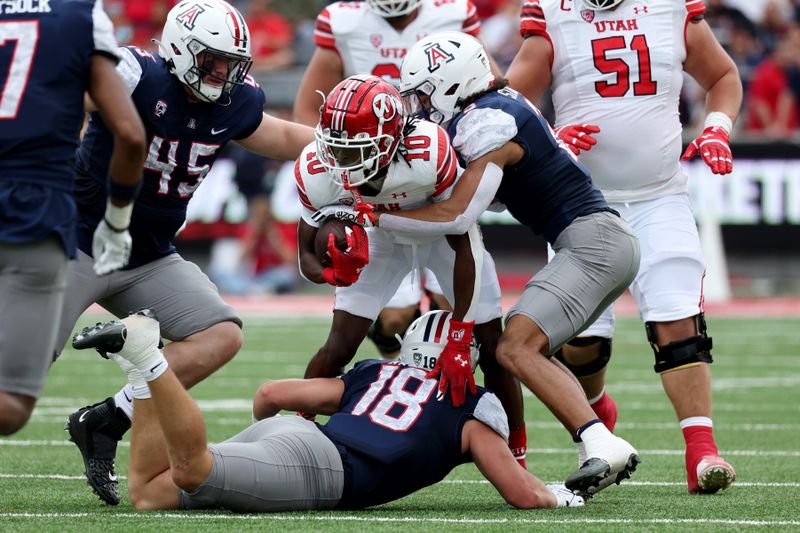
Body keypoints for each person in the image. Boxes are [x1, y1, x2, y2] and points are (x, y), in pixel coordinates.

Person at [364, 31, 643, 495]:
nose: (420, 107)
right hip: (595, 240)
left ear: (451, 84)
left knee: (514, 346)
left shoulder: (487, 120)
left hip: (594, 242)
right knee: (528, 344)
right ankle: (597, 443)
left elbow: (458, 214)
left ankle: (601, 442)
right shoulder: (496, 107)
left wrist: (377, 213)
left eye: (424, 95)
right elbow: (489, 200)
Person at [58, 0, 315, 505]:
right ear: (178, 49)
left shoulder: (234, 102)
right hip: (78, 242)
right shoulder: (135, 74)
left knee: (219, 336)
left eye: (232, 63)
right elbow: (65, 91)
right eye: (212, 60)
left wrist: (334, 143)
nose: (223, 74)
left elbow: (277, 134)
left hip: (149, 255)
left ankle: (106, 420)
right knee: (18, 373)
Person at [505, 0, 742, 494]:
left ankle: (702, 452)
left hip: (660, 196)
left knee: (680, 324)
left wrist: (717, 127)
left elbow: (722, 76)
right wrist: (548, 139)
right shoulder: (552, 14)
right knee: (583, 346)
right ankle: (597, 408)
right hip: (581, 200)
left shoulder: (670, 9)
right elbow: (508, 107)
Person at [70, 309, 585, 511]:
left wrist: (275, 441)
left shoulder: (375, 373)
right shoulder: (469, 408)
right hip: (319, 471)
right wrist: (558, 496)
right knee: (193, 470)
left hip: (292, 440)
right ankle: (149, 357)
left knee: (150, 495)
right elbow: (520, 493)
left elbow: (271, 395)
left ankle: (141, 376)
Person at [296, 74, 528, 467]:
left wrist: (459, 336)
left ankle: (518, 454)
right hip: (378, 238)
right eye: (334, 149)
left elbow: (462, 235)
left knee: (492, 344)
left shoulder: (429, 152)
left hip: (438, 231)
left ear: (389, 142)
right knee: (339, 346)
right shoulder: (318, 169)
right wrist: (331, 274)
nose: (338, 163)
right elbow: (306, 253)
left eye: (352, 152)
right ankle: (299, 433)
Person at [294, 0, 496, 360]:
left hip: (430, 166)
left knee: (460, 309)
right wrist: (337, 161)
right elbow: (309, 109)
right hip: (369, 172)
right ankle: (399, 380)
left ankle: (450, 385)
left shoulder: (452, 13)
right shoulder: (343, 20)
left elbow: (489, 87)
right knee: (392, 322)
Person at [0, 0, 146, 435]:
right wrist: (117, 220)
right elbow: (132, 136)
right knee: (11, 405)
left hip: (32, 209)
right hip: (33, 211)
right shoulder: (82, 15)